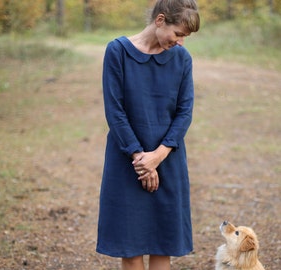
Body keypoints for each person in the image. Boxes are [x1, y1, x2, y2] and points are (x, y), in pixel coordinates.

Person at [96, 1, 200, 269]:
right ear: (160, 20)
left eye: (185, 38)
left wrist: (158, 156)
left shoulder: (182, 59)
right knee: (129, 246)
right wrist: (141, 159)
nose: (180, 43)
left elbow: (184, 112)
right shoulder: (117, 51)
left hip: (168, 158)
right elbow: (115, 111)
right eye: (178, 34)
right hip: (127, 159)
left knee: (162, 243)